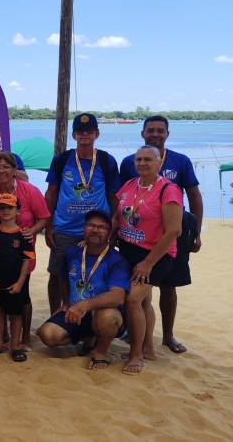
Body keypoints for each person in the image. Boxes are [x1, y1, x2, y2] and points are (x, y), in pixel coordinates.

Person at [119, 115, 203, 354]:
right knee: (142, 296)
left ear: (167, 133)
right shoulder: (128, 163)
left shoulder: (181, 161)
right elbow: (125, 198)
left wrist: (196, 233)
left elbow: (194, 196)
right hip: (136, 237)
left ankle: (167, 335)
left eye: (160, 130)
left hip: (170, 234)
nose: (155, 134)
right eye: (150, 130)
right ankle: (141, 337)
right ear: (142, 133)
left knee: (169, 286)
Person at [114, 145, 183, 375]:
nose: (142, 163)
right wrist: (101, 239)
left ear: (159, 162)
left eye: (148, 159)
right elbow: (117, 218)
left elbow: (173, 231)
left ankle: (136, 355)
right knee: (143, 301)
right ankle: (148, 348)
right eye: (138, 159)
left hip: (155, 255)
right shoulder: (129, 185)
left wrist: (148, 263)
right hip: (128, 249)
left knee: (133, 300)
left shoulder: (169, 189)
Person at [0, 151, 49, 351]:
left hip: (20, 252)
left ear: (15, 170)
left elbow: (44, 217)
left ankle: (26, 338)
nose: (1, 171)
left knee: (23, 296)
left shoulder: (30, 191)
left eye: (6, 167)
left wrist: (33, 230)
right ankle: (2, 336)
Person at [45, 113, 120, 314]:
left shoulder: (106, 160)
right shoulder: (61, 160)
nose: (84, 134)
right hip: (65, 229)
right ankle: (56, 313)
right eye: (80, 131)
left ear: (97, 133)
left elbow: (114, 197)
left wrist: (113, 226)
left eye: (89, 131)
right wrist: (48, 225)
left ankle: (92, 317)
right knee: (57, 274)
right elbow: (51, 194)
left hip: (98, 230)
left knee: (95, 275)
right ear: (73, 135)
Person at [38, 210, 130, 370]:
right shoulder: (72, 252)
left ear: (109, 233)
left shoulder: (117, 260)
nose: (95, 230)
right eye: (91, 225)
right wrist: (66, 302)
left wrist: (85, 305)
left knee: (106, 315)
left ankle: (100, 352)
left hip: (102, 313)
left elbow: (118, 296)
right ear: (84, 228)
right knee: (47, 335)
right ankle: (89, 336)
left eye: (102, 227)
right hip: (75, 311)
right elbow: (63, 277)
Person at [0, 194, 35, 362]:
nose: (5, 211)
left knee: (16, 314)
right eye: (1, 207)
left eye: (10, 207)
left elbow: (27, 260)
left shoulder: (23, 236)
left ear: (18, 210)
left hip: (15, 283)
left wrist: (20, 282)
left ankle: (14, 346)